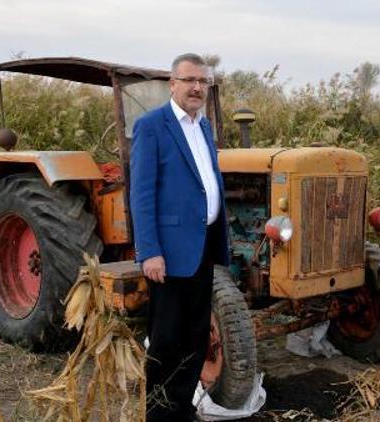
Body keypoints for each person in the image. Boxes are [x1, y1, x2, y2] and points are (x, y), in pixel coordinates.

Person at [130, 53, 229, 421]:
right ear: (172, 84)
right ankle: (157, 415)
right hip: (168, 254)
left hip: (201, 248)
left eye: (203, 81)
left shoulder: (203, 127)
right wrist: (150, 251)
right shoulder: (152, 126)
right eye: (189, 80)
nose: (197, 87)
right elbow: (141, 194)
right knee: (167, 341)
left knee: (195, 336)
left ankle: (182, 409)